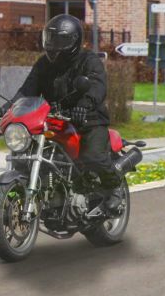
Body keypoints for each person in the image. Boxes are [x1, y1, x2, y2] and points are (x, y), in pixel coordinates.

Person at [8, 12, 114, 206]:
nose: (53, 45)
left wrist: (84, 106)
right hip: (54, 120)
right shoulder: (44, 64)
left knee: (93, 157)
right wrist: (10, 107)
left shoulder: (89, 61)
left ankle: (112, 190)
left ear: (73, 41)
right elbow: (27, 89)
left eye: (59, 40)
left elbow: (97, 87)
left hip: (89, 120)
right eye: (50, 38)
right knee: (26, 153)